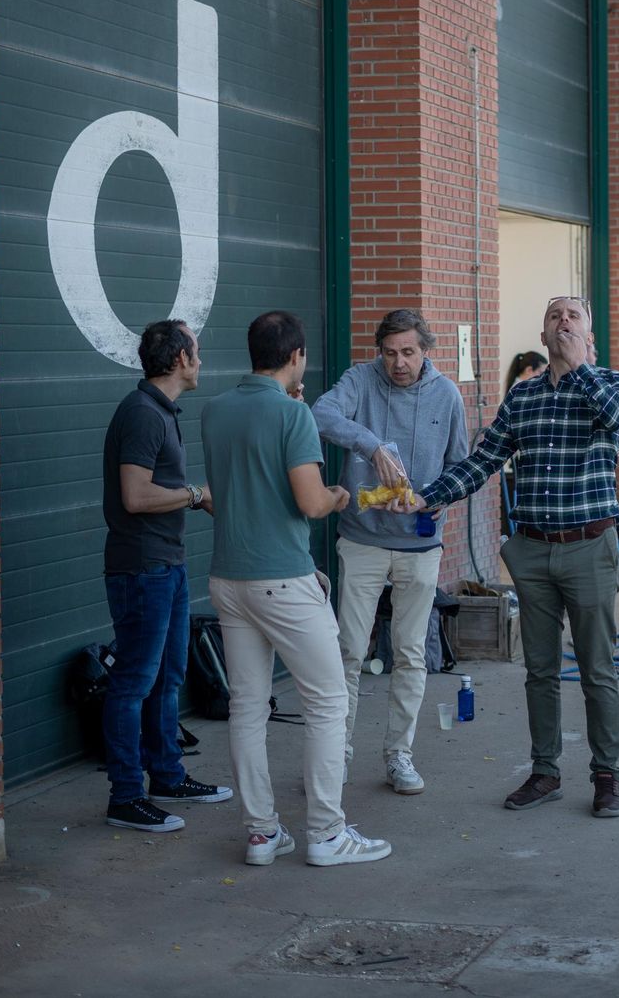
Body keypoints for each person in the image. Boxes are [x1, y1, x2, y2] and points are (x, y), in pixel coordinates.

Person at [405, 295, 619, 819]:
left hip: (589, 546)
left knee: (598, 669)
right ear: (543, 333)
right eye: (554, 315)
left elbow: (615, 416)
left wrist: (579, 365)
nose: (563, 321)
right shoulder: (523, 395)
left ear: (590, 334)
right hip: (532, 550)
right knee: (540, 671)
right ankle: (545, 771)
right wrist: (429, 495)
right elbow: (484, 460)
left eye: (574, 315)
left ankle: (607, 775)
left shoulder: (611, 384)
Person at [202, 311, 392, 867]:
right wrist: (337, 495)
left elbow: (241, 481)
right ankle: (327, 833)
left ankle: (262, 834)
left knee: (247, 707)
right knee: (329, 703)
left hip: (228, 577)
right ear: (296, 356)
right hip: (282, 577)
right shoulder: (293, 415)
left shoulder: (215, 409)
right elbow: (310, 502)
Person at [312, 309, 469, 796]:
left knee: (410, 653)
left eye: (408, 352)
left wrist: (431, 500)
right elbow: (320, 414)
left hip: (419, 542)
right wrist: (372, 446)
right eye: (389, 352)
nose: (398, 363)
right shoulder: (360, 380)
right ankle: (337, 754)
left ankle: (399, 755)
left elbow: (460, 467)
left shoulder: (447, 394)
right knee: (348, 650)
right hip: (362, 538)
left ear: (426, 350)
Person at [99, 319, 231, 834]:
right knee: (133, 682)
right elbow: (135, 497)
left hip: (166, 564)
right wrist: (195, 496)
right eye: (197, 352)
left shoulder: (160, 410)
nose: (201, 361)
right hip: (142, 568)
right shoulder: (141, 413)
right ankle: (126, 796)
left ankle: (167, 777)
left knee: (167, 677)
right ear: (180, 359)